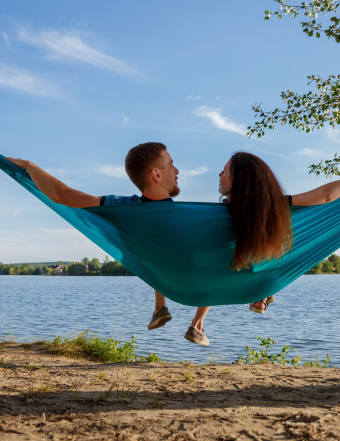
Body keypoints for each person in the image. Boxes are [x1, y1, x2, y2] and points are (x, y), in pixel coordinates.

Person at [7, 142, 211, 346]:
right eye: (172, 165)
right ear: (156, 175)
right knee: (215, 252)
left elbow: (61, 194)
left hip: (160, 272)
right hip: (195, 279)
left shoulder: (124, 207)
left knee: (158, 252)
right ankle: (197, 323)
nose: (177, 170)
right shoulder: (188, 217)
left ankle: (160, 307)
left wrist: (29, 166)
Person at [218, 151, 340, 313]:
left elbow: (327, 195)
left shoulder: (215, 217)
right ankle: (262, 292)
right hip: (254, 271)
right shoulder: (273, 206)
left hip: (235, 273)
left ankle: (202, 322)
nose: (219, 175)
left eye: (224, 172)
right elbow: (326, 195)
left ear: (240, 180)